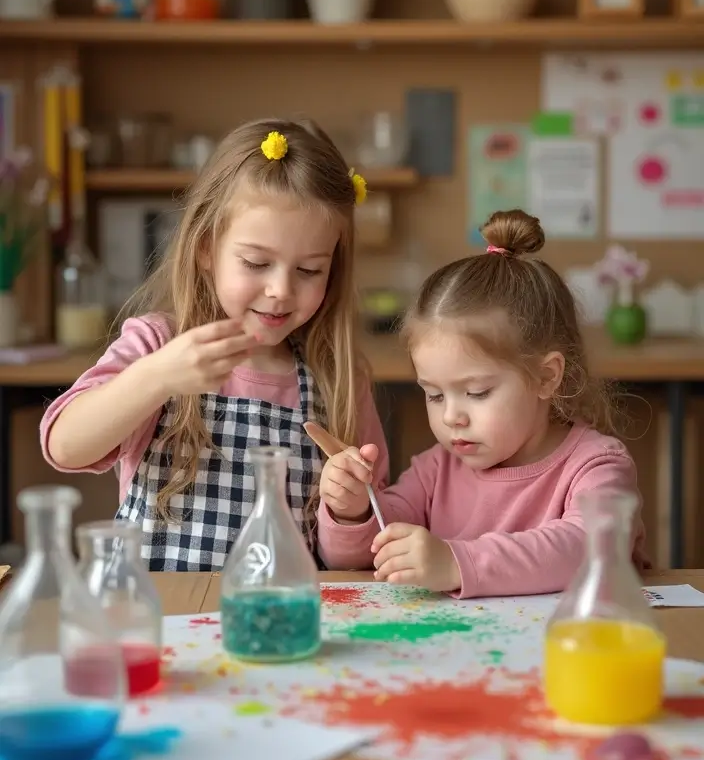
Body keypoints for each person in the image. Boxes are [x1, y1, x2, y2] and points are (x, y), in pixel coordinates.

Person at [40, 118, 388, 571]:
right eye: (256, 262)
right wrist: (158, 375)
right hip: (164, 623)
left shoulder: (339, 377)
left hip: (278, 625)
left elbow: (357, 560)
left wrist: (350, 511)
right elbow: (66, 446)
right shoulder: (157, 344)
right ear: (207, 248)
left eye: (309, 271)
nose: (281, 289)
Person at [317, 209, 647, 597]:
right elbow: (366, 555)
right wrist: (353, 510)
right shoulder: (435, 472)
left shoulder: (596, 465)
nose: (452, 416)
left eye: (476, 393)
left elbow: (590, 548)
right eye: (435, 394)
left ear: (546, 377)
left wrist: (457, 563)